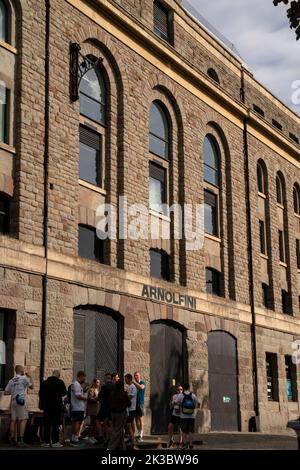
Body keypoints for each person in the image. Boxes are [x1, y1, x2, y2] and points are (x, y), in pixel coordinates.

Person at [4, 365, 33, 446]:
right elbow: (32, 387)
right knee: (24, 419)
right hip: (20, 401)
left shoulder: (11, 380)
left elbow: (6, 392)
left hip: (13, 401)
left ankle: (12, 439)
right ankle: (21, 440)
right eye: (23, 369)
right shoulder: (24, 378)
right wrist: (30, 377)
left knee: (13, 420)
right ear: (21, 370)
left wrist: (13, 392)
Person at [39, 370, 67, 447]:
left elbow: (40, 394)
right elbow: (64, 393)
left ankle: (46, 442)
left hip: (47, 407)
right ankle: (55, 442)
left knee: (47, 424)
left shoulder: (44, 383)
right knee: (56, 424)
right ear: (58, 375)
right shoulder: (60, 382)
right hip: (56, 407)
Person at [107, 380, 131, 450]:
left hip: (113, 413)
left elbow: (109, 403)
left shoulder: (112, 393)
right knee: (117, 431)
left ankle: (122, 446)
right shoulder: (123, 394)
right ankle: (110, 447)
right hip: (121, 414)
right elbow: (129, 403)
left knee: (118, 430)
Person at [177, 383, 200, 450]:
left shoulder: (181, 395)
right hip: (192, 416)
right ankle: (191, 445)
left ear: (183, 388)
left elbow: (175, 402)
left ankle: (184, 444)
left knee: (184, 431)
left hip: (183, 416)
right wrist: (195, 409)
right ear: (189, 388)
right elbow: (198, 403)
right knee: (191, 431)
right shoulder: (193, 395)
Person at [70, 371, 87, 446]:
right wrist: (85, 398)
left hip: (77, 407)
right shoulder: (76, 384)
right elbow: (78, 396)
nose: (84, 379)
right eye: (84, 377)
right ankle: (75, 439)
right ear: (80, 376)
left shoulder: (76, 384)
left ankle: (73, 438)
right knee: (77, 423)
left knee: (76, 422)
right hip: (78, 407)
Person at [97, 373, 114, 445]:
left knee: (97, 420)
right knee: (109, 423)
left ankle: (101, 437)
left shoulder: (104, 386)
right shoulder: (114, 386)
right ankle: (109, 439)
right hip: (113, 407)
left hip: (105, 407)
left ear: (106, 379)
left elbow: (99, 396)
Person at [133, 371, 146, 442]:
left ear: (140, 376)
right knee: (136, 419)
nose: (135, 377)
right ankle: (138, 434)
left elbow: (141, 388)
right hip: (134, 404)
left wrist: (134, 383)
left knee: (140, 419)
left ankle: (141, 435)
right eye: (135, 375)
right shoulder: (134, 385)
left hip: (140, 403)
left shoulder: (142, 383)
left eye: (137, 375)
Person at [125, 374, 137, 448]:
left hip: (131, 408)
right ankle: (131, 437)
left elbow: (131, 396)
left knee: (129, 424)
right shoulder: (129, 387)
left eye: (126, 379)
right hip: (129, 408)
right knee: (130, 423)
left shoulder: (133, 387)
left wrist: (124, 399)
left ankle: (133, 439)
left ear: (129, 379)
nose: (125, 380)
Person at [86, 378, 100, 444]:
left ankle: (94, 436)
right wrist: (97, 399)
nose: (98, 384)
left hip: (97, 409)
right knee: (92, 423)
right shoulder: (91, 389)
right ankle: (90, 437)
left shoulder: (97, 389)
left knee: (95, 423)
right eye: (97, 382)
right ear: (94, 383)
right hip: (92, 409)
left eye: (99, 382)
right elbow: (90, 398)